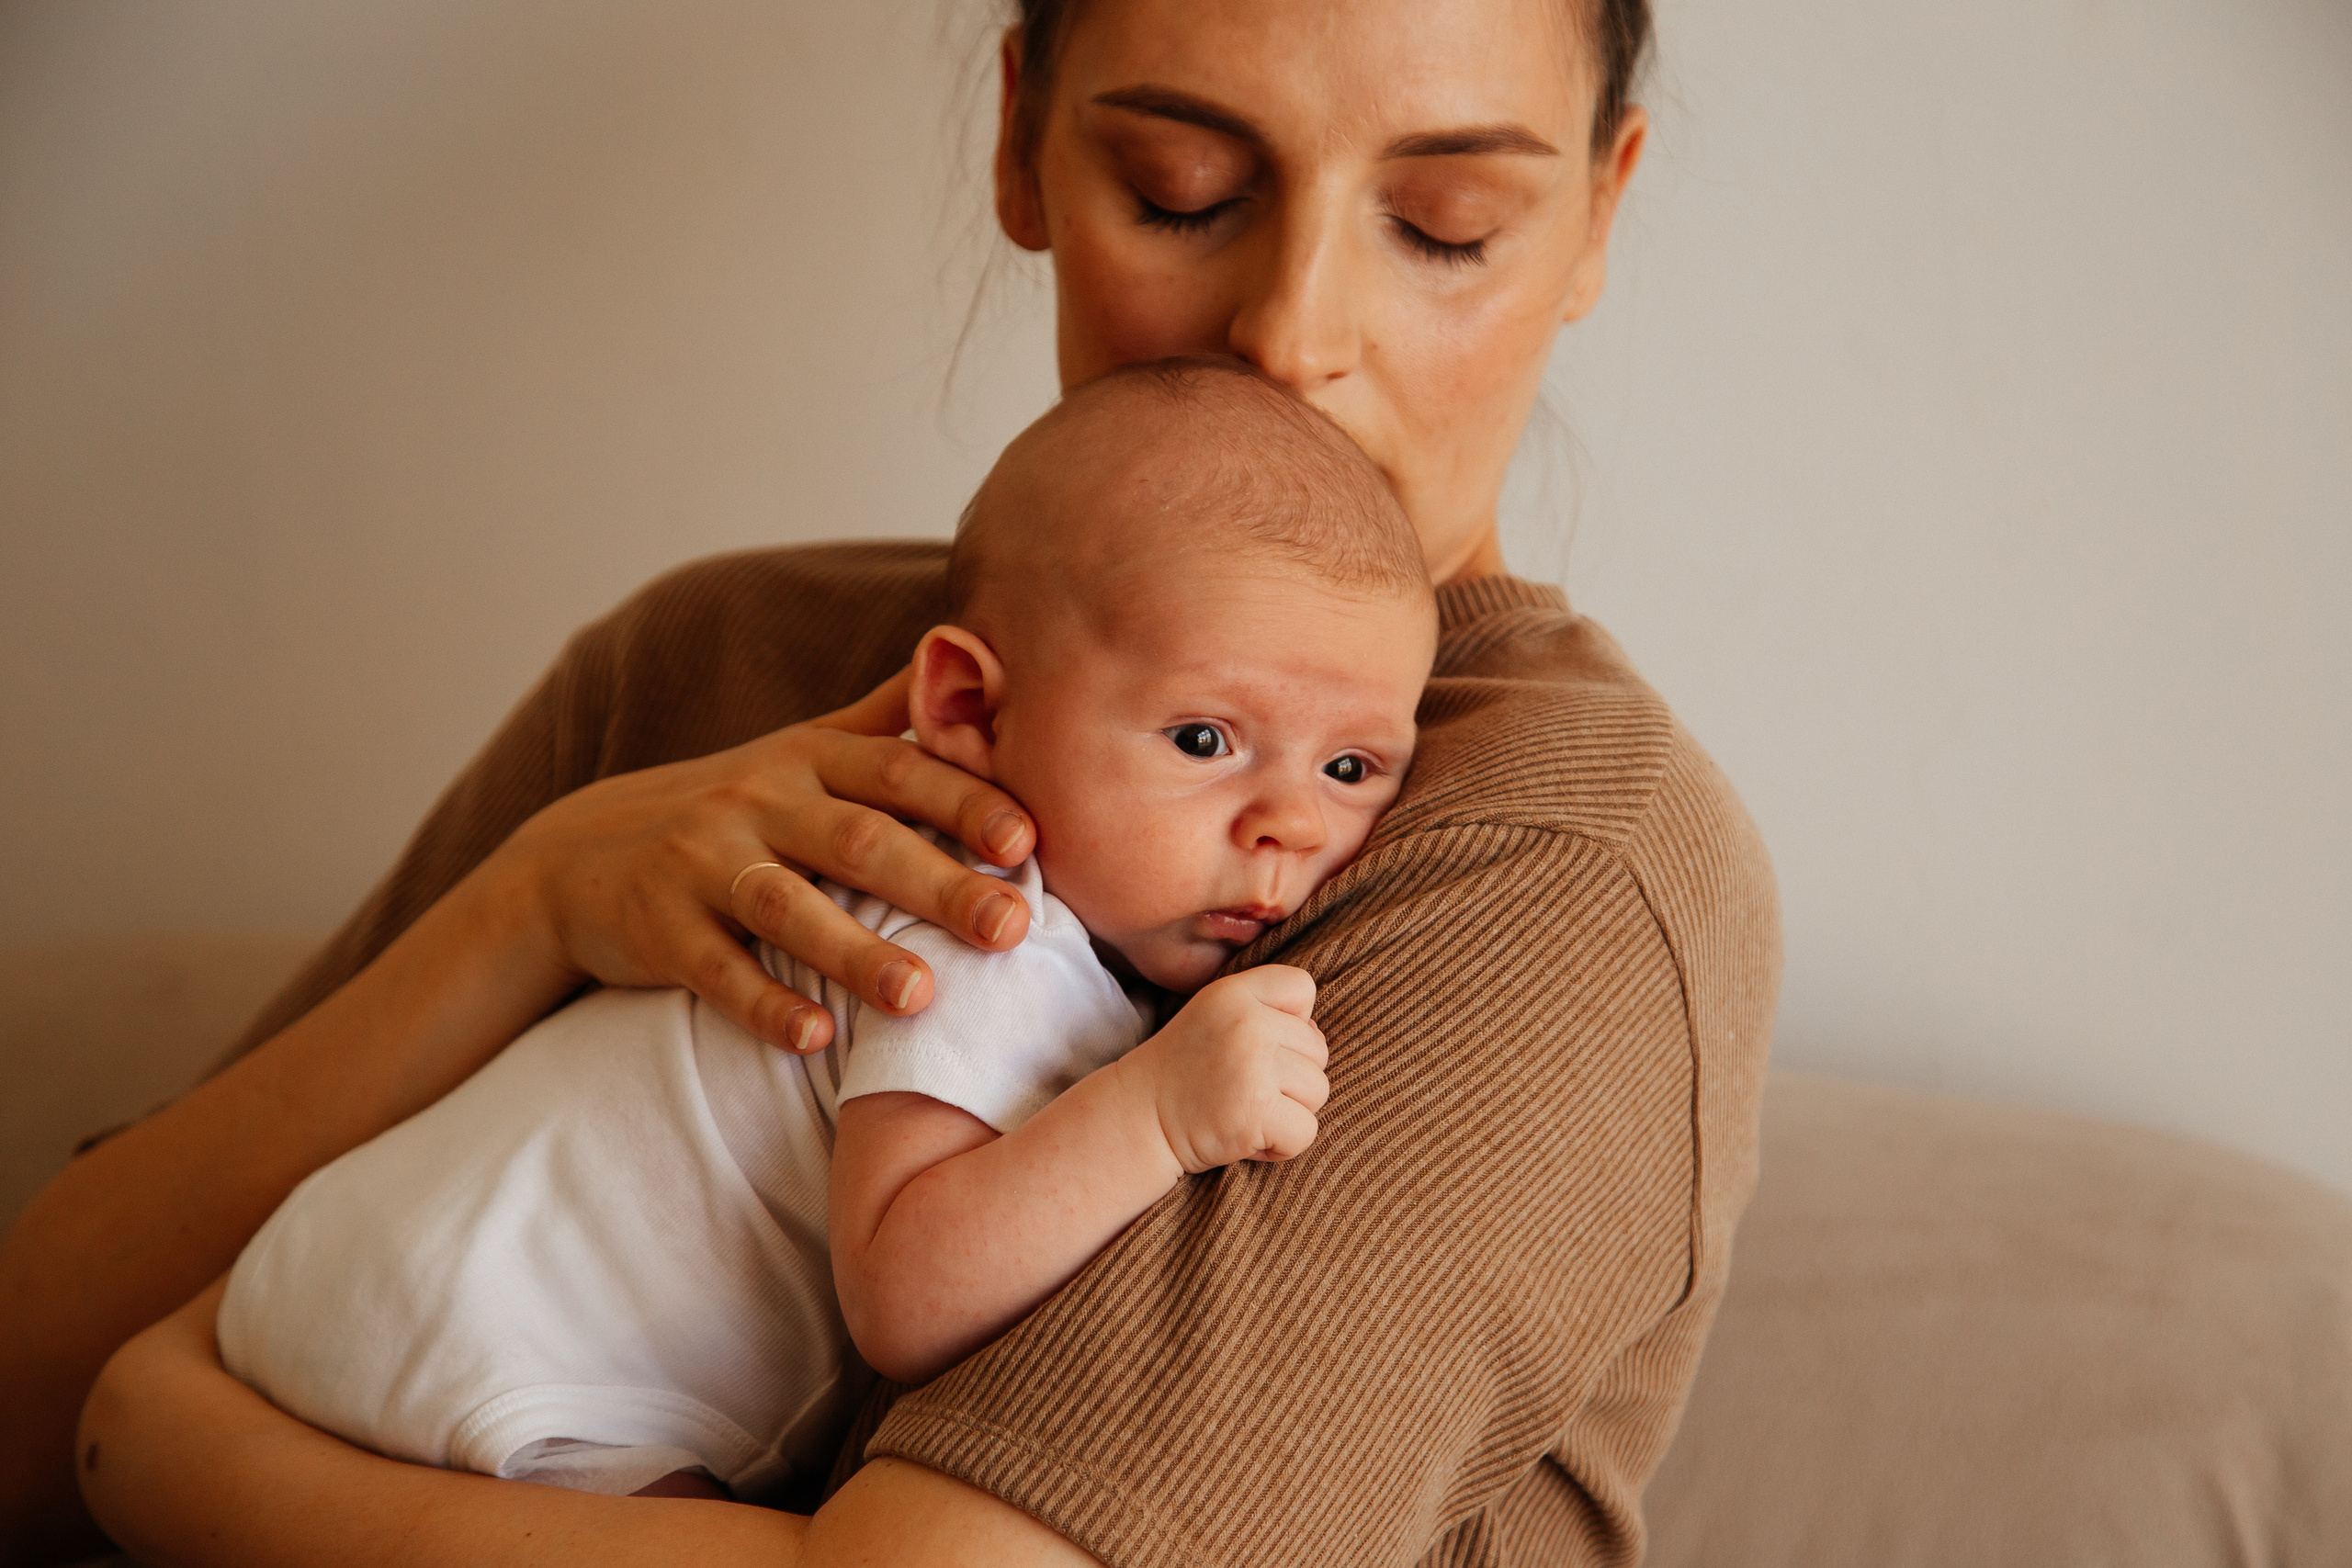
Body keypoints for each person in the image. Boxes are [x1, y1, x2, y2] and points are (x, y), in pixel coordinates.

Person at [13, 1, 1782, 1564]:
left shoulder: (1555, 852)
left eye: (1443, 223)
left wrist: (175, 1443)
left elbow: (107, 1417)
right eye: (1179, 187)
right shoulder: (707, 664)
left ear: (1597, 215)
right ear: (1020, 143)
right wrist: (528, 907)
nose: (1289, 337)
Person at [214, 359, 1433, 1504]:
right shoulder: (984, 930)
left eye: (1351, 765)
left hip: (374, 1279)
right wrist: (1161, 1113)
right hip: (494, 1340)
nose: (1286, 823)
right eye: (1204, 740)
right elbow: (907, 1291)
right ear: (965, 708)